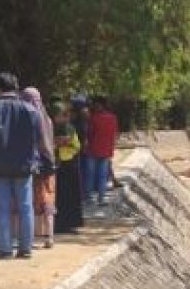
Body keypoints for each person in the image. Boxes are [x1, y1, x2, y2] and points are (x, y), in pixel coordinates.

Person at [0, 73, 40, 259]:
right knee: (25, 207)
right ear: (16, 87)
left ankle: (5, 249)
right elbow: (35, 139)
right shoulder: (31, 110)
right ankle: (25, 248)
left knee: (1, 207)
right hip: (24, 166)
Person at [22, 87, 56, 248]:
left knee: (33, 200)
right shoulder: (47, 119)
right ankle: (49, 236)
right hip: (49, 164)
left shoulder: (27, 118)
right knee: (47, 200)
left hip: (32, 165)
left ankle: (33, 237)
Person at [52, 102, 83, 233]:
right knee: (59, 197)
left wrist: (63, 143)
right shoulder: (50, 127)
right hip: (57, 166)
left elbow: (76, 144)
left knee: (70, 196)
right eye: (59, 116)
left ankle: (70, 224)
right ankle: (59, 225)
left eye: (64, 115)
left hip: (70, 165)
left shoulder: (70, 128)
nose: (62, 118)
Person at [86, 95, 118, 206]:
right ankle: (101, 199)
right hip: (106, 151)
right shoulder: (113, 118)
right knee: (102, 176)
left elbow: (89, 134)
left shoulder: (93, 118)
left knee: (90, 175)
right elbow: (114, 135)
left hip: (92, 150)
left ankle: (89, 198)